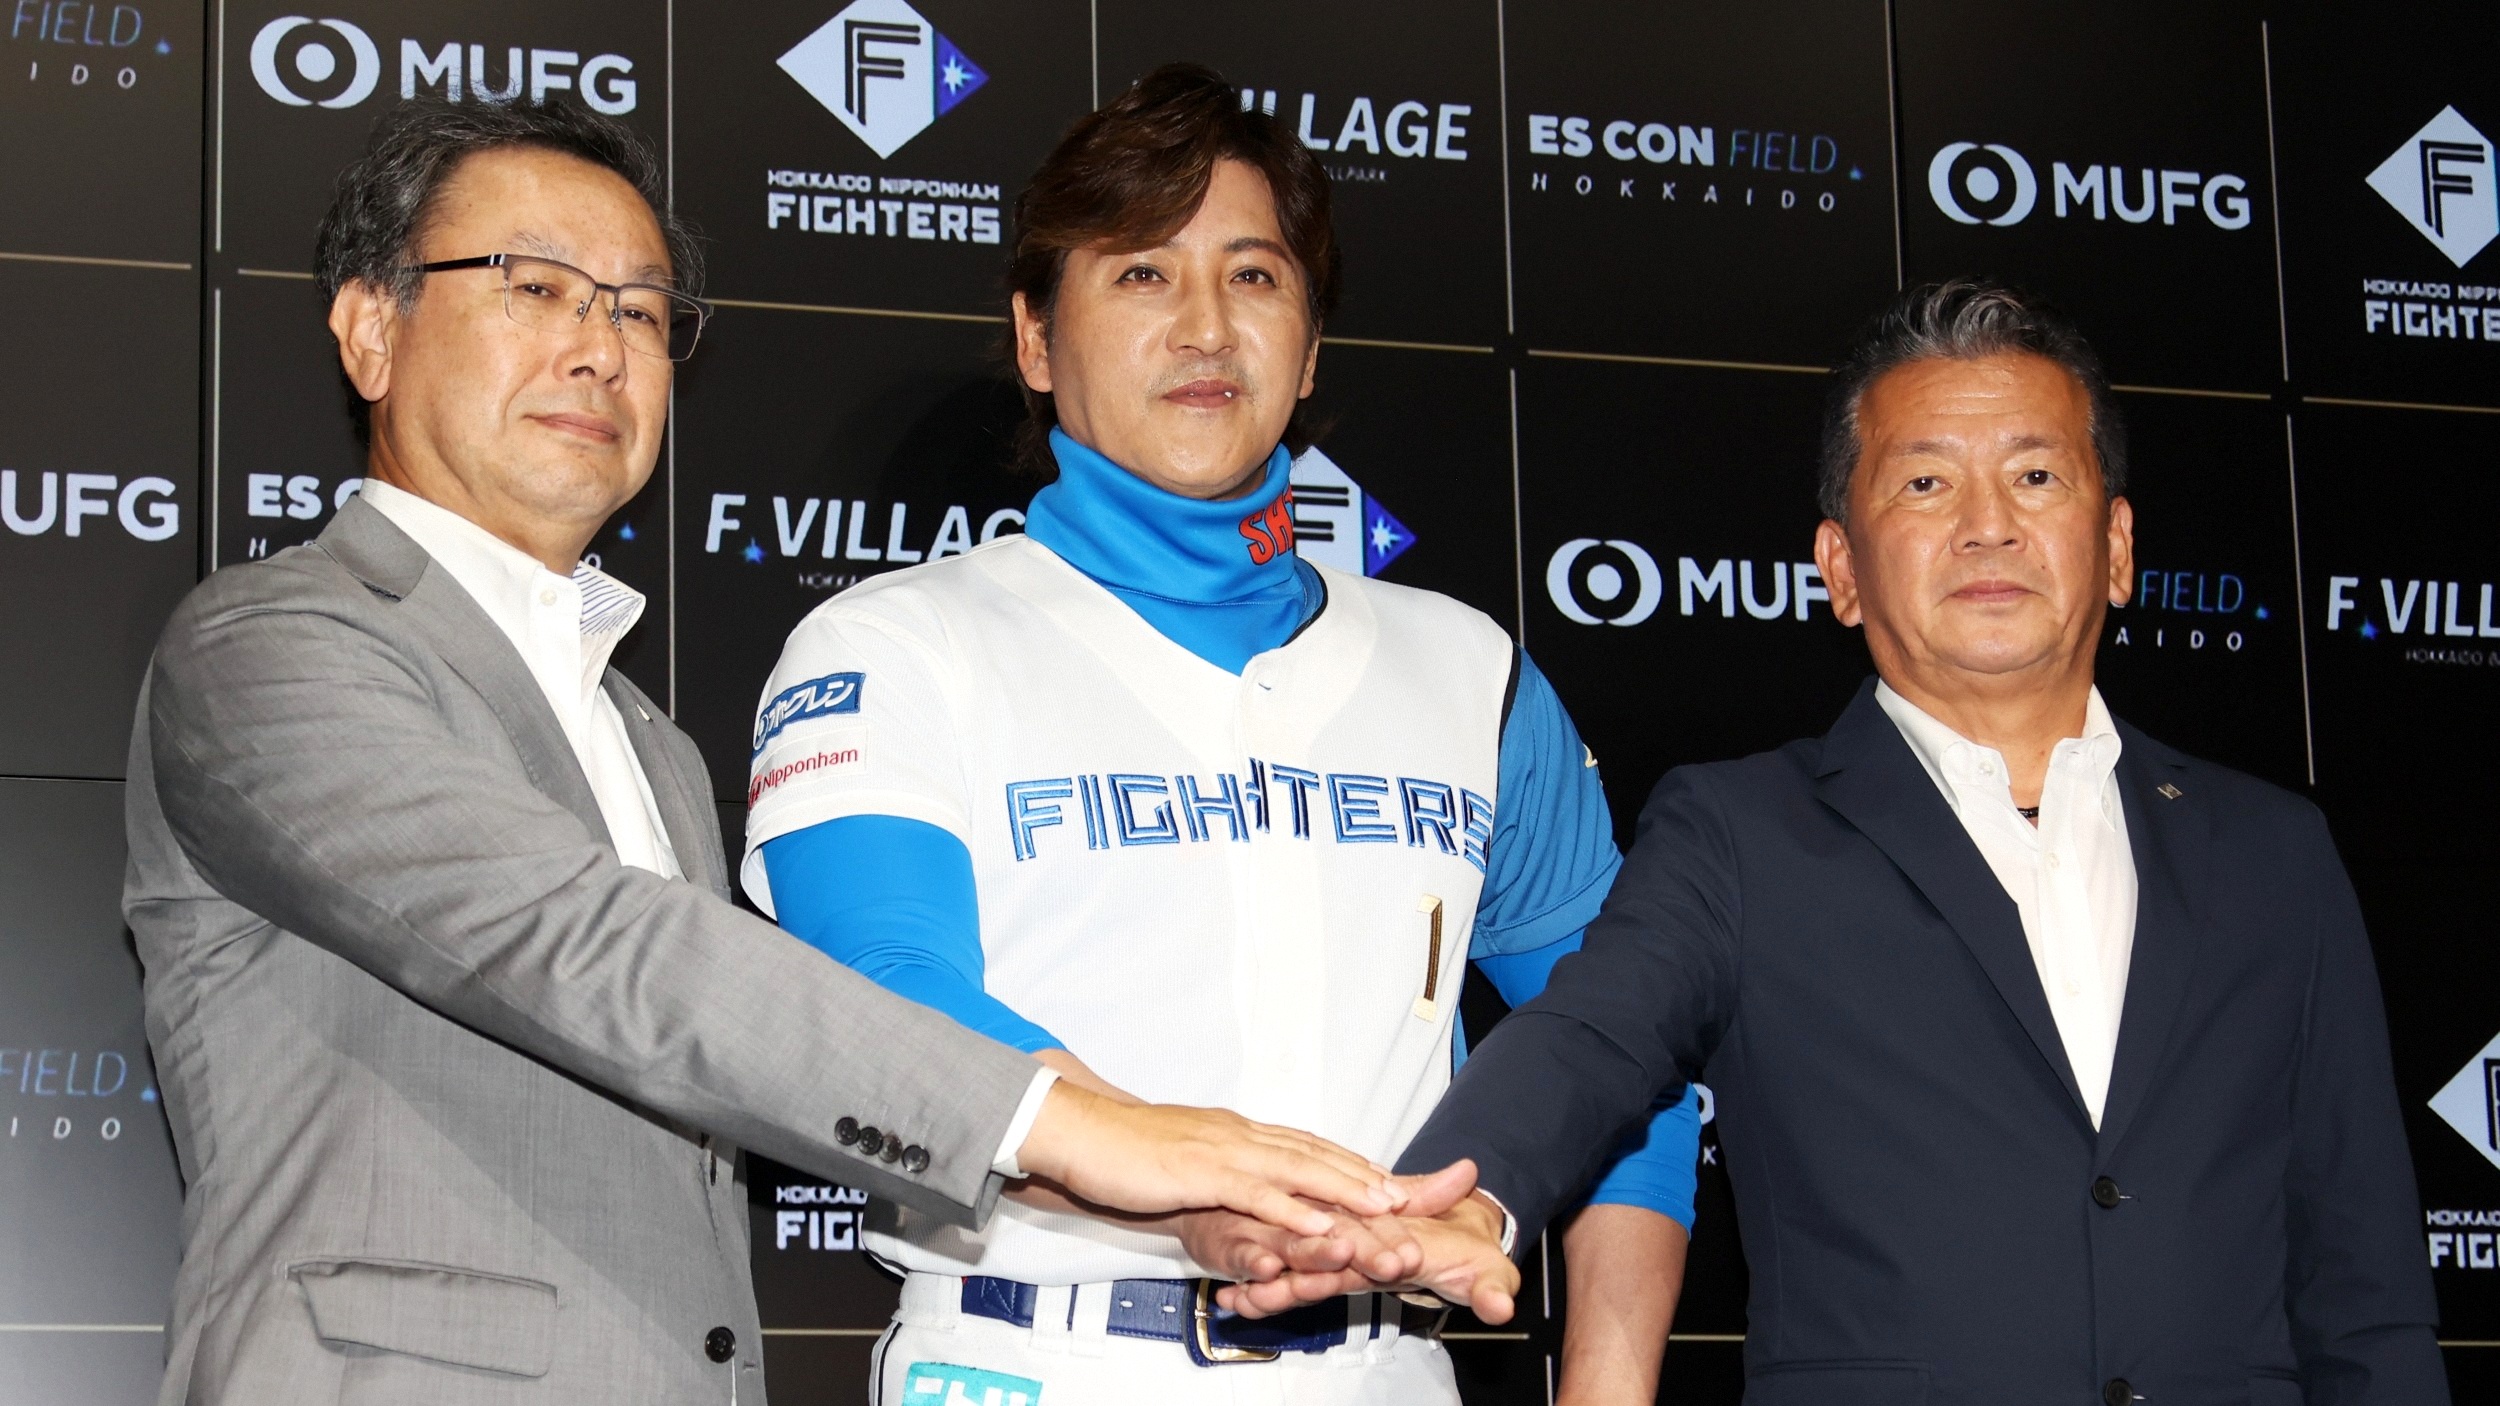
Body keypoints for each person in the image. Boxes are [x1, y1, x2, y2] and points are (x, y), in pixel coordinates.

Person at [122, 99, 1418, 1406]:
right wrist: (1090, 1129)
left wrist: (1178, 1207)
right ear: (370, 329)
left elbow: (743, 1064)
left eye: (640, 312)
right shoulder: (266, 646)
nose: (598, 349)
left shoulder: (651, 744)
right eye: (536, 287)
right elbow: (589, 948)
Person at [739, 65, 1698, 1406]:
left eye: (1253, 275)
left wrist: (1605, 1387)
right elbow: (890, 1000)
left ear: (1307, 349)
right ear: (1035, 339)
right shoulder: (891, 647)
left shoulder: (1470, 673)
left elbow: (1622, 1047)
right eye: (1141, 272)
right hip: (1034, 1361)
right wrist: (1177, 1180)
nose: (1204, 326)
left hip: (1387, 1371)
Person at [1392, 279, 2450, 1405]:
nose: (1988, 523)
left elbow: (2363, 1292)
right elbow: (1592, 1033)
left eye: (2035, 476)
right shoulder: (1739, 833)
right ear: (1841, 568)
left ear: (2117, 544)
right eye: (1926, 482)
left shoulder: (2275, 853)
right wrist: (1465, 1189)